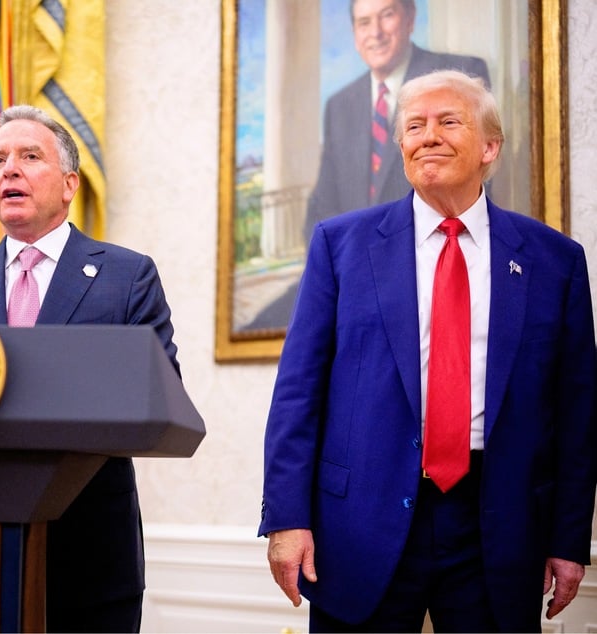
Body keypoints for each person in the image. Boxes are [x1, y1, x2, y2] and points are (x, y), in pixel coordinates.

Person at [259, 69, 597, 632]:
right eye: (414, 126)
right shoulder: (340, 246)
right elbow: (298, 394)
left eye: (448, 121)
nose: (428, 136)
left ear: (490, 147)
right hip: (360, 520)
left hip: (500, 525)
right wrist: (286, 518)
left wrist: (568, 538)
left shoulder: (554, 260)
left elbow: (577, 414)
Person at [0, 105, 180, 632]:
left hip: (89, 547)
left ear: (69, 184)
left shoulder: (126, 276)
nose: (9, 170)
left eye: (29, 156)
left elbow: (160, 395)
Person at [245, 0, 490, 331]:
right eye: (363, 23)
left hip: (428, 273)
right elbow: (323, 205)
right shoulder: (339, 105)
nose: (375, 32)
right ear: (354, 34)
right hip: (351, 279)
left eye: (386, 15)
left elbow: (475, 186)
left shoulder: (460, 76)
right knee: (264, 323)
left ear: (409, 18)